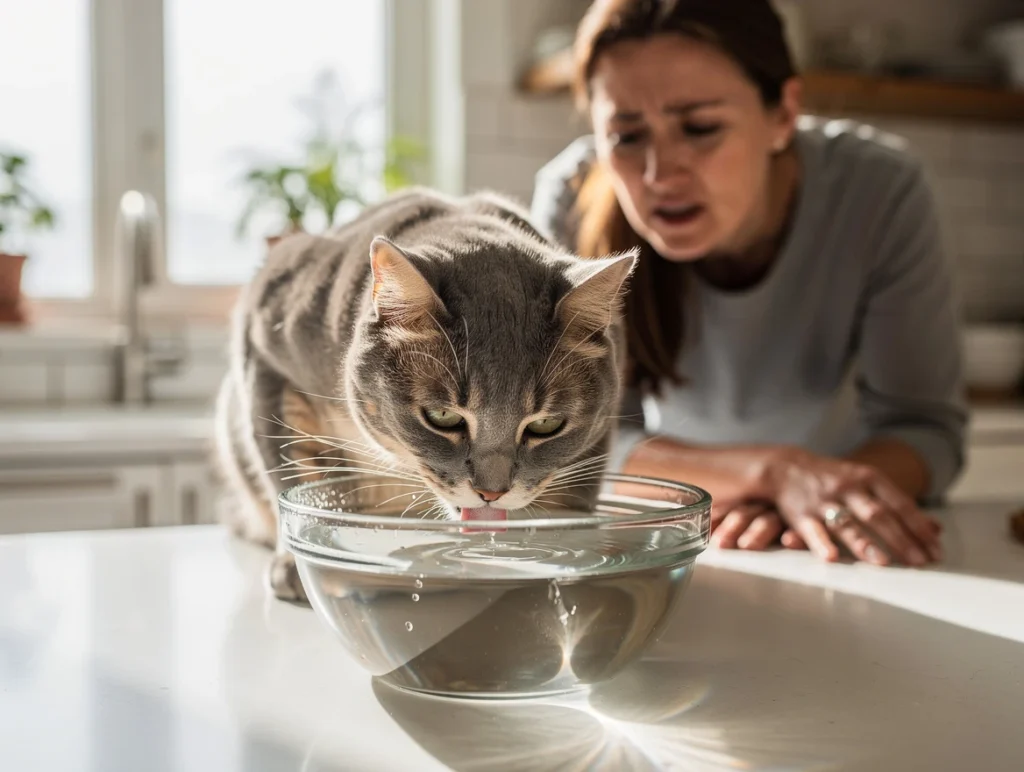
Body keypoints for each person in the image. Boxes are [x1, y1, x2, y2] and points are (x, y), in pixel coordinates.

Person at [530, 0, 966, 567]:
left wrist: (808, 497)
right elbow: (570, 447)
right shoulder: (571, 200)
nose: (661, 175)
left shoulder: (881, 190)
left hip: (820, 546)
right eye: (627, 136)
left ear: (784, 113)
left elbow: (925, 430)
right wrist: (773, 477)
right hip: (674, 543)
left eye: (701, 127)